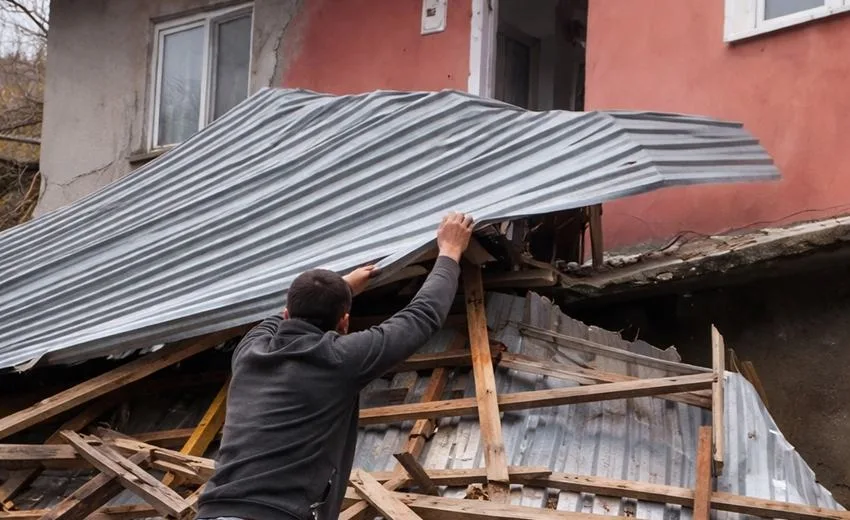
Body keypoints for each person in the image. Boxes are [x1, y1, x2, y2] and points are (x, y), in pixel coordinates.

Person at [196, 211, 475, 520]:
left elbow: (278, 316)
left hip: (213, 511)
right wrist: (449, 251)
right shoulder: (339, 359)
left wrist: (343, 286)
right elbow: (421, 317)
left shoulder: (249, 351)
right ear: (344, 323)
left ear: (289, 314)